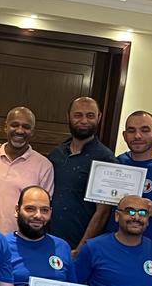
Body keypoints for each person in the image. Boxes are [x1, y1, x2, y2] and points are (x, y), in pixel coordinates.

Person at [80, 110, 152, 249]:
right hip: (110, 248)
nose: (137, 136)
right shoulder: (115, 164)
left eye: (144, 130)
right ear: (124, 135)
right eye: (131, 130)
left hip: (149, 251)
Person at [48, 97, 117, 252]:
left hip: (79, 247)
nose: (84, 121)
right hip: (49, 241)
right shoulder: (56, 154)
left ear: (99, 117)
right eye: (78, 115)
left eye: (90, 116)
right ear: (68, 117)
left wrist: (80, 249)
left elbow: (103, 212)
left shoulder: (106, 159)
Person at [0, 107, 54, 234]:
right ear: (5, 127)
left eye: (26, 127)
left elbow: (43, 211)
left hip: (21, 240)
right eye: (14, 125)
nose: (19, 131)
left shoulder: (44, 166)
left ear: (32, 131)